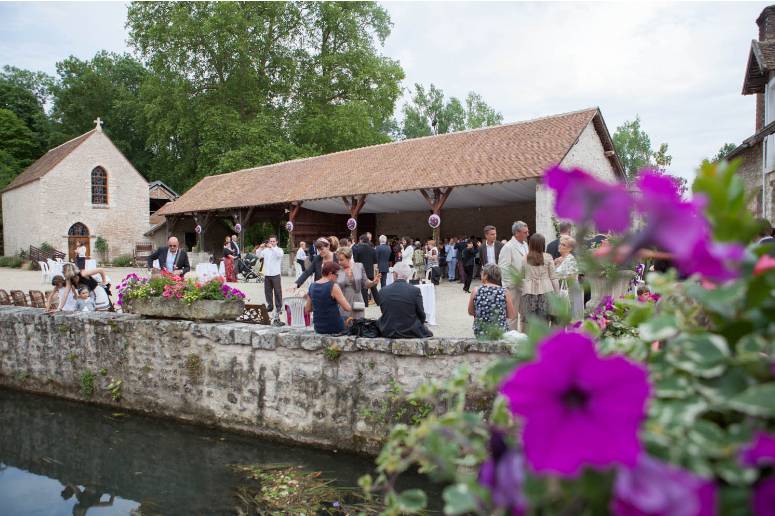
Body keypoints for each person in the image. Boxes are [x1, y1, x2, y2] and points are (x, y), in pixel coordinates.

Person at [377, 262, 432, 338]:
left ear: (395, 274)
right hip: (410, 330)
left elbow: (384, 311)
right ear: (407, 276)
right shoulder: (415, 291)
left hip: (388, 330)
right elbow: (421, 315)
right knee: (429, 333)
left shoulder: (383, 291)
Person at [467, 263, 516, 338]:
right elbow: (512, 315)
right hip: (499, 331)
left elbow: (470, 312)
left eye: (482, 273)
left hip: (481, 331)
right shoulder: (505, 292)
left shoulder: (476, 290)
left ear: (486, 275)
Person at [520, 233, 559, 327]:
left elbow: (521, 276)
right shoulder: (548, 257)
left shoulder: (525, 258)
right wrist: (557, 294)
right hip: (546, 291)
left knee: (530, 323)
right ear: (543, 244)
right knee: (545, 321)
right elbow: (553, 277)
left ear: (531, 244)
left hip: (529, 292)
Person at [304, 261, 352, 335]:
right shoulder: (333, 286)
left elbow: (307, 309)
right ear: (330, 273)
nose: (337, 278)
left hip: (318, 327)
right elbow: (347, 308)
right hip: (334, 327)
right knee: (350, 321)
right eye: (337, 275)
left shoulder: (312, 286)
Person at [498, 221, 530, 330]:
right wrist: (511, 285)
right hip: (513, 287)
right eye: (525, 232)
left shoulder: (525, 244)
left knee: (526, 314)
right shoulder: (508, 247)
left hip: (525, 285)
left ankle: (525, 337)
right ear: (517, 233)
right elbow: (503, 268)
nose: (527, 234)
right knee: (512, 315)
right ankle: (512, 340)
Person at [335, 247, 380, 320]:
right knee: (345, 326)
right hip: (343, 302)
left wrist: (373, 282)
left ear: (349, 258)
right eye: (338, 260)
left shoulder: (358, 266)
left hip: (358, 301)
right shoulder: (338, 269)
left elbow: (365, 283)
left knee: (359, 324)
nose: (339, 262)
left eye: (341, 260)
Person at [554, 235, 583, 321]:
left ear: (570, 249)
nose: (560, 246)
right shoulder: (558, 259)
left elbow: (572, 277)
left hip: (571, 289)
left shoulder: (571, 259)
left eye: (563, 245)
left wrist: (558, 276)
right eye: (560, 244)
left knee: (573, 317)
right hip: (562, 290)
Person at [258, 235, 284, 312]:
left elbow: (280, 255)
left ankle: (279, 307)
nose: (272, 243)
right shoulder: (266, 250)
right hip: (267, 274)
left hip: (275, 274)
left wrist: (272, 248)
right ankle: (270, 306)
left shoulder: (279, 250)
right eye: (271, 241)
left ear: (276, 242)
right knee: (267, 291)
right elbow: (258, 255)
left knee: (277, 291)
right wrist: (260, 248)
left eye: (273, 241)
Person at [352, 233, 379, 306]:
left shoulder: (357, 249)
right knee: (373, 287)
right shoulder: (373, 249)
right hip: (370, 271)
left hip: (361, 271)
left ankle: (365, 303)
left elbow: (355, 260)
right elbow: (375, 262)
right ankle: (379, 302)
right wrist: (376, 272)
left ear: (361, 240)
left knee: (364, 288)